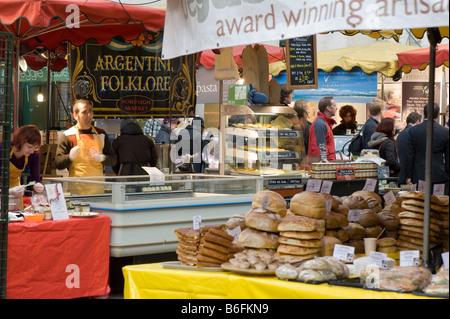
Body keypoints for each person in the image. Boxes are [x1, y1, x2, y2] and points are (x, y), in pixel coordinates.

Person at [55, 99, 116, 194]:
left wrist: (103, 158)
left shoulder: (101, 134)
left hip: (98, 191)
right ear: (75, 115)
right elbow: (58, 163)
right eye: (84, 112)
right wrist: (69, 158)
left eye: (90, 111)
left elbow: (113, 160)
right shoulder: (68, 135)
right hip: (77, 192)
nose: (89, 115)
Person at [405, 103, 449, 194]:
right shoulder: (445, 132)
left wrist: (408, 175)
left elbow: (410, 155)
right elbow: (448, 156)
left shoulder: (413, 131)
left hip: (420, 174)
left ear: (424, 114)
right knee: (439, 204)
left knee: (421, 203)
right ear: (437, 115)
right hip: (439, 174)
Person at [0, 125, 44, 193]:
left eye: (35, 148)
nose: (32, 151)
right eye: (29, 147)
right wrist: (7, 191)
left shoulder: (33, 154)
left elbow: (35, 180)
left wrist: (37, 185)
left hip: (15, 189)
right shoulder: (3, 149)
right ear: (21, 141)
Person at [307, 96, 337, 162]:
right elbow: (318, 148)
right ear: (328, 108)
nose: (336, 108)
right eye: (334, 106)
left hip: (326, 166)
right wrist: (322, 166)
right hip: (323, 168)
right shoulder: (320, 124)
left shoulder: (324, 123)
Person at [396, 112, 422, 185]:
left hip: (400, 173)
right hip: (410, 175)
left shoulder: (400, 135)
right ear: (417, 122)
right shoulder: (414, 134)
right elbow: (410, 156)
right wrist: (409, 176)